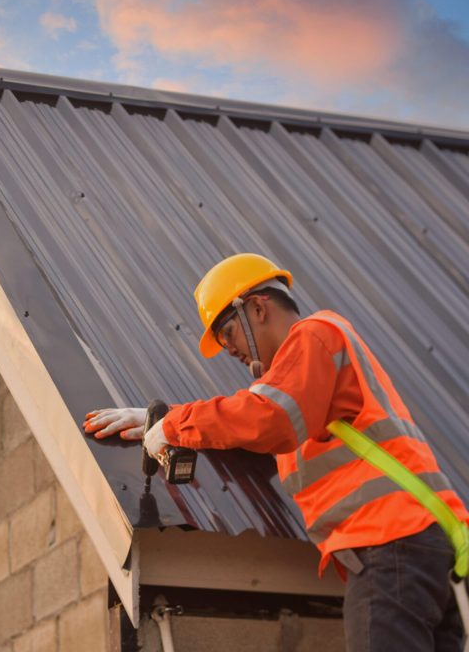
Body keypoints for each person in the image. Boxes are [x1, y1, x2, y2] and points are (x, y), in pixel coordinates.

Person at [84, 253, 468, 651]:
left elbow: (268, 417)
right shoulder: (308, 385)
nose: (228, 349)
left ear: (256, 307)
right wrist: (163, 421)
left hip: (390, 542)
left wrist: (174, 425)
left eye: (226, 333)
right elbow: (256, 421)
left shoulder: (316, 335)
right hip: (416, 546)